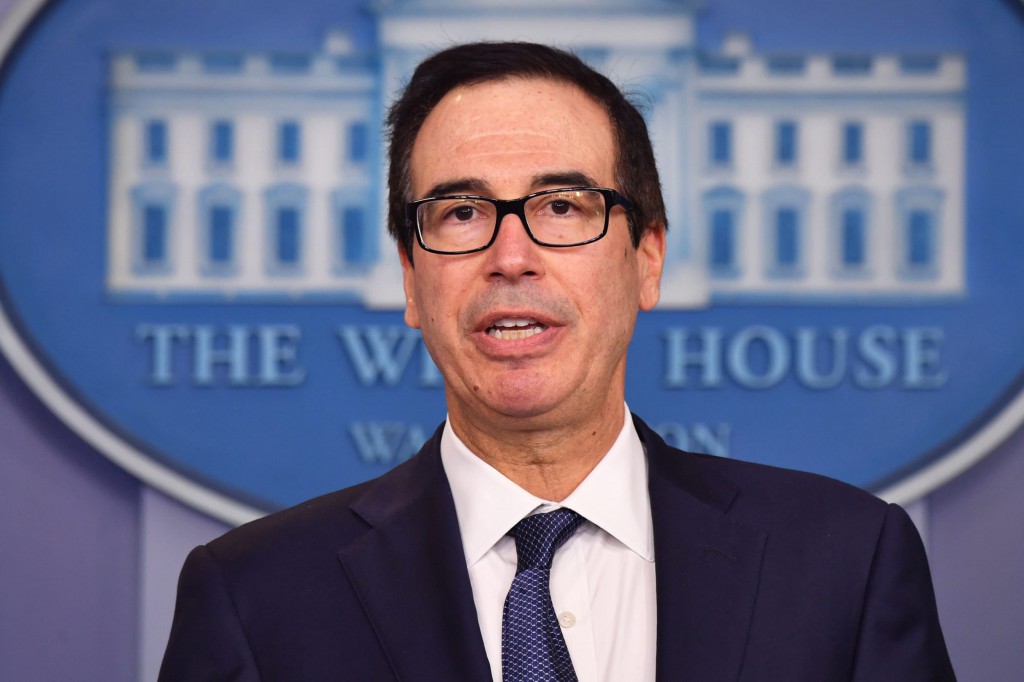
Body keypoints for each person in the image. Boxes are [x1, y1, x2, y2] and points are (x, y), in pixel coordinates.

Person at [159, 42, 956, 681]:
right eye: (461, 212)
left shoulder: (846, 562)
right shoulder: (255, 597)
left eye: (562, 207)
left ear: (647, 259)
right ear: (410, 278)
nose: (512, 256)